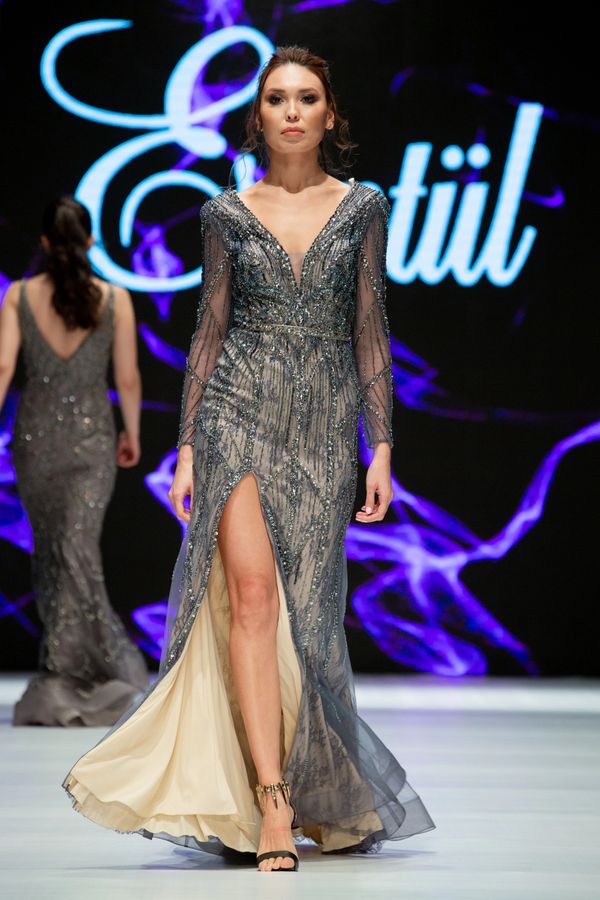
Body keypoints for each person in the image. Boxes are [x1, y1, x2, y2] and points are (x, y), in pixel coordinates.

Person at [61, 46, 436, 871]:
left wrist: (381, 445)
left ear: (330, 116)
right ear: (257, 116)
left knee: (312, 616)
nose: (292, 111)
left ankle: (313, 781)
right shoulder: (225, 212)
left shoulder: (364, 206)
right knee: (253, 598)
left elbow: (371, 331)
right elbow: (209, 331)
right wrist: (188, 445)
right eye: (277, 98)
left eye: (307, 98)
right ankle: (270, 798)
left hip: (326, 425)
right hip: (237, 414)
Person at [0, 196, 149, 726]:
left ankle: (71, 670)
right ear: (90, 241)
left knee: (61, 551)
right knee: (68, 549)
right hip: (91, 443)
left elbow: (2, 369)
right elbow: (127, 377)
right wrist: (132, 433)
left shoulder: (19, 295)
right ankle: (81, 671)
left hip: (35, 441)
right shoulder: (115, 298)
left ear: (44, 242)